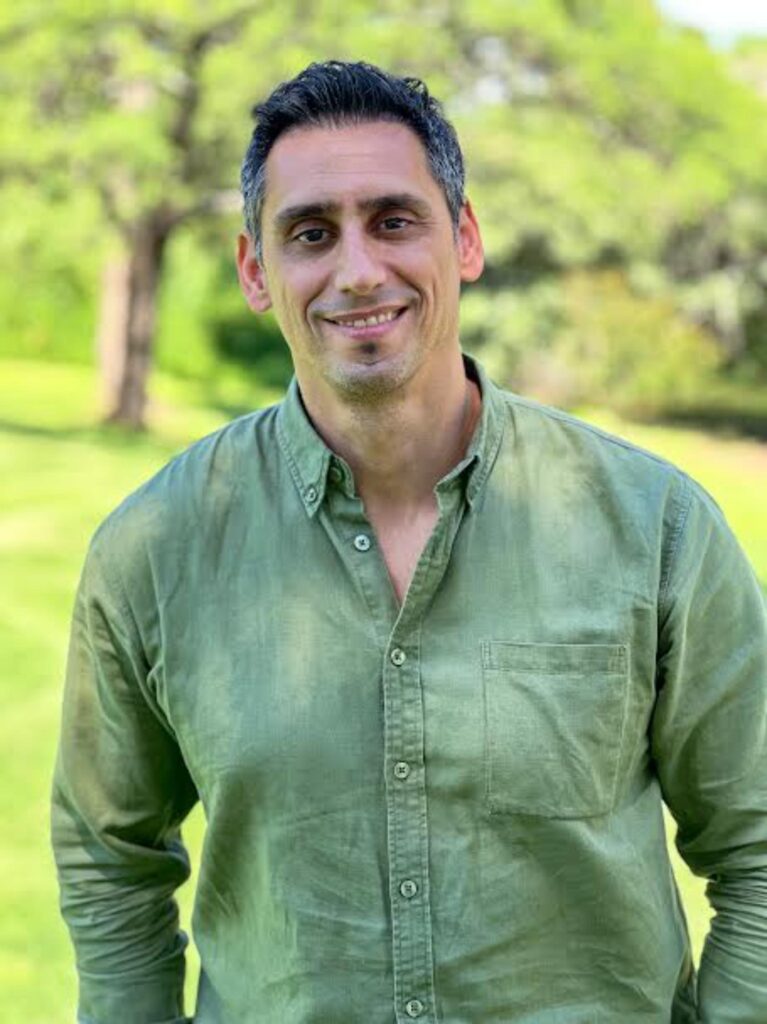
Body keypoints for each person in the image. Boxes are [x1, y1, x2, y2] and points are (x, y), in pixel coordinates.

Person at [51, 60, 767, 1024]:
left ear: (463, 238)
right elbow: (109, 860)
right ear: (255, 271)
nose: (356, 270)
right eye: (311, 233)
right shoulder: (154, 548)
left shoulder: (656, 528)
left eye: (393, 221)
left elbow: (757, 849)